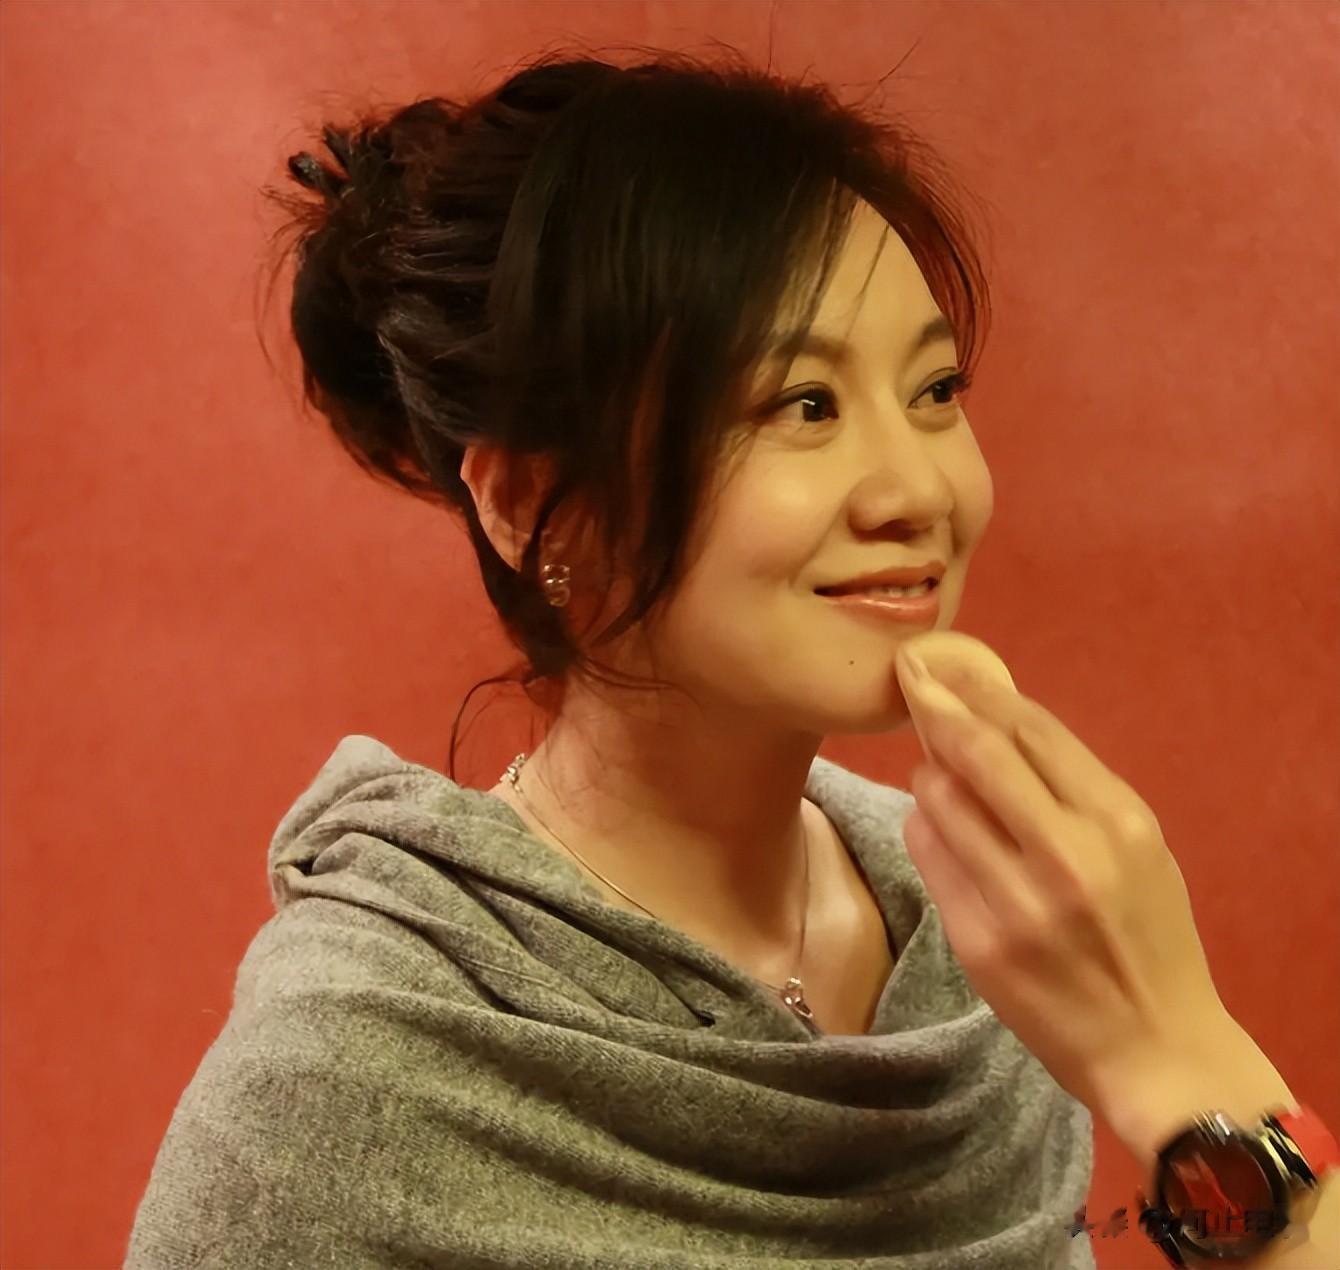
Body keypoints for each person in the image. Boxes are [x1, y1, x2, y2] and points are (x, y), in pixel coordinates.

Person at [125, 47, 1336, 1269]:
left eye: (933, 389)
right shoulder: (339, 1084)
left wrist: (1173, 1052)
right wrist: (1174, 1060)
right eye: (804, 405)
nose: (920, 489)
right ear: (535, 505)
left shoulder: (987, 934)